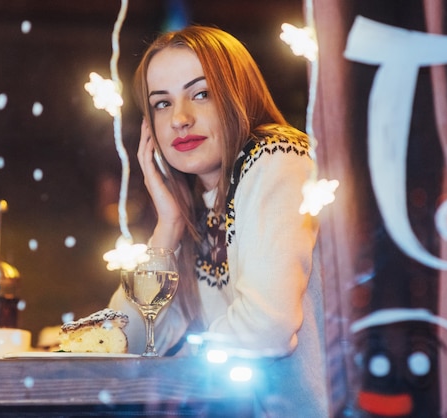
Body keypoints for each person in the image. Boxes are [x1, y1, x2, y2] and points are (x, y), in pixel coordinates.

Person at [109, 25, 328, 415]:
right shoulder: (199, 206)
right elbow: (124, 339)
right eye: (161, 103)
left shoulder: (277, 157)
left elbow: (266, 328)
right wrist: (169, 228)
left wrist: (182, 364)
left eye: (202, 94)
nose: (180, 118)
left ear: (236, 95)